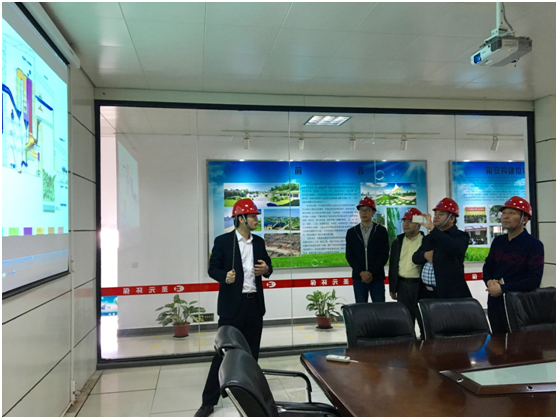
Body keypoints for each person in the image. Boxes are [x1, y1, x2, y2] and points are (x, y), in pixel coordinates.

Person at [195, 198, 273, 417]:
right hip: (232, 307)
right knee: (223, 354)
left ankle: (250, 396)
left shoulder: (259, 242)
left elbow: (268, 266)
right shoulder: (223, 241)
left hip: (254, 305)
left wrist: (267, 269)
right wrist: (225, 277)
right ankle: (208, 401)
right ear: (241, 219)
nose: (256, 219)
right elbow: (212, 269)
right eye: (253, 216)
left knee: (252, 354)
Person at [483, 196, 544, 334]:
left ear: (525, 219)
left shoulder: (534, 245)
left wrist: (503, 288)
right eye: (504, 213)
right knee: (497, 341)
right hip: (495, 301)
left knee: (518, 343)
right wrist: (489, 281)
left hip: (519, 304)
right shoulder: (498, 242)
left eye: (511, 213)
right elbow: (488, 266)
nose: (505, 217)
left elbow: (534, 280)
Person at [413, 198, 471, 299]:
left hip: (450, 294)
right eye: (435, 214)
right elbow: (415, 258)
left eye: (441, 214)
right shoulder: (429, 238)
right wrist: (425, 255)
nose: (436, 217)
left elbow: (454, 248)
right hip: (427, 293)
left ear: (452, 218)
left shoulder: (461, 236)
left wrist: (432, 229)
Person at [345, 197, 389, 303]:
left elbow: (384, 255)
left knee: (379, 308)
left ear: (373, 212)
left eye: (367, 210)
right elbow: (350, 255)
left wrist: (370, 272)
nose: (364, 213)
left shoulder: (381, 231)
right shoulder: (352, 232)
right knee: (361, 308)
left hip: (376, 277)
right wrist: (361, 272)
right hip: (359, 277)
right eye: (361, 210)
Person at [388, 208, 425, 322]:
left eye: (410, 221)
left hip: (420, 286)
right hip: (402, 286)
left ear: (419, 224)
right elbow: (393, 265)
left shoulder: (426, 241)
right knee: (405, 320)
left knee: (423, 320)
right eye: (404, 221)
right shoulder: (397, 242)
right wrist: (392, 287)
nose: (406, 224)